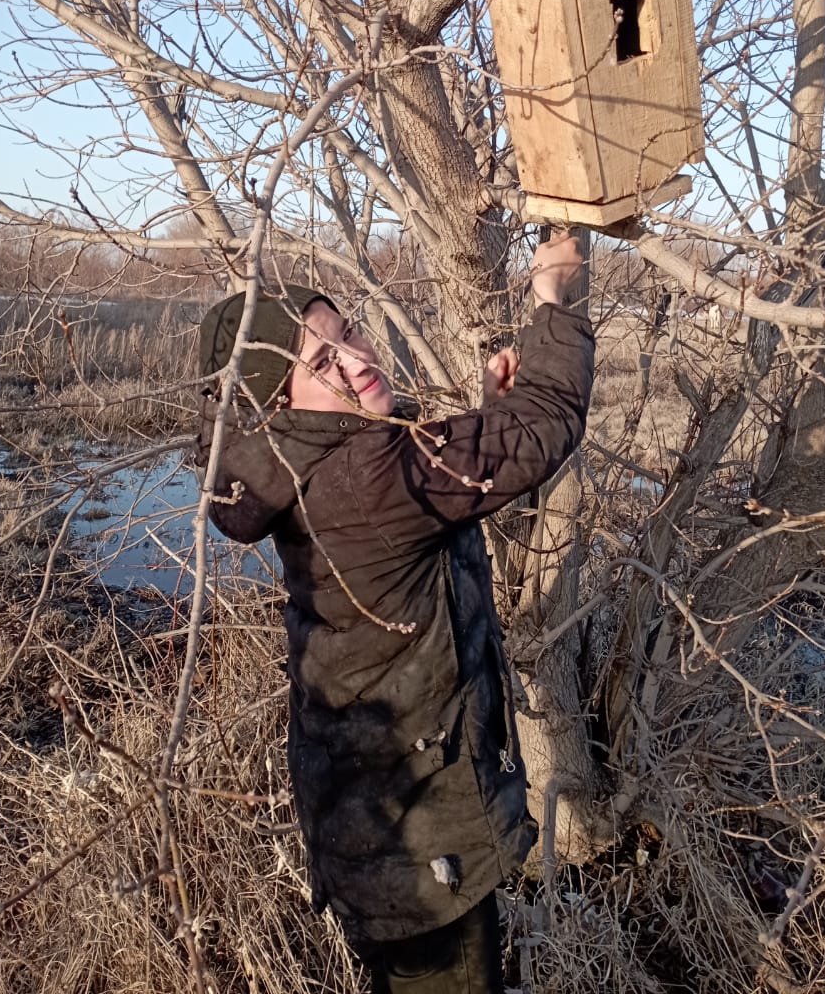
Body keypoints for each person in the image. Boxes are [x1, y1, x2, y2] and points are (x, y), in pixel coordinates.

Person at [196, 232, 594, 993]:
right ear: (276, 406)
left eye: (346, 332)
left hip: (374, 824)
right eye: (323, 363)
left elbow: (427, 509)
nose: (356, 358)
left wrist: (488, 419)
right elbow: (545, 428)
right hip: (415, 848)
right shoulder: (363, 476)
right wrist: (551, 303)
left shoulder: (316, 470)